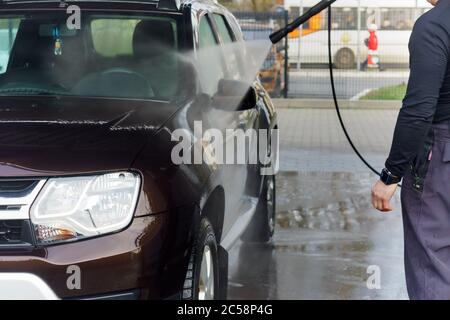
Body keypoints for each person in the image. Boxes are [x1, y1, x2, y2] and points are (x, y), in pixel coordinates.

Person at [371, 0, 450, 299]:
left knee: (433, 267)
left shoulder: (434, 25)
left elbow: (419, 111)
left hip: (441, 157)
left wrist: (390, 175)